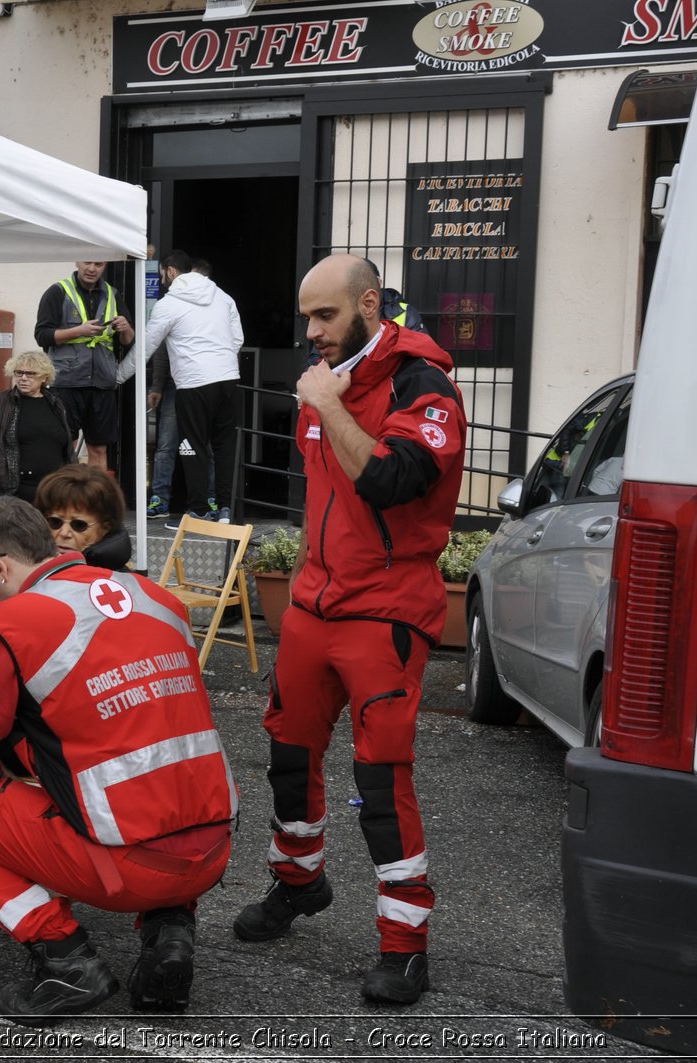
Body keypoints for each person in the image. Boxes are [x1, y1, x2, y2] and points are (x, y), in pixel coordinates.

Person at [0, 497, 237, 1024]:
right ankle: (170, 934)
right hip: (213, 852)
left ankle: (64, 955)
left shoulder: (11, 624)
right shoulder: (157, 598)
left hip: (129, 871)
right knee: (160, 786)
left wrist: (24, 752)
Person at [233, 253, 466, 1007]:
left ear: (370, 304)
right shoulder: (323, 377)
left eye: (325, 315)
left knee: (380, 775)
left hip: (387, 611)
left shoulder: (423, 383)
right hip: (312, 606)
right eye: (306, 316)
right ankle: (298, 882)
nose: (312, 331)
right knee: (289, 756)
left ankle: (405, 943)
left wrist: (330, 405)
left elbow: (393, 481)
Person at [134, 250, 242, 526]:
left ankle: (200, 510)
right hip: (223, 379)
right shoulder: (223, 298)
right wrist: (219, 361)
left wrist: (120, 375)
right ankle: (222, 509)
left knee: (188, 445)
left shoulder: (172, 303)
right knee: (218, 445)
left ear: (170, 272)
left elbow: (151, 345)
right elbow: (237, 338)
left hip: (190, 384)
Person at [34, 261, 135, 469]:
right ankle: (64, 499)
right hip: (66, 383)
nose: (92, 269)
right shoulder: (57, 291)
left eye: (98, 264)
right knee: (65, 446)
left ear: (105, 265)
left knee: (99, 449)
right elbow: (42, 335)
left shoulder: (112, 294)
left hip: (102, 384)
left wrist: (125, 328)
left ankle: (95, 500)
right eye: (87, 262)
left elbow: (128, 341)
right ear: (77, 261)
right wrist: (78, 331)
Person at [0, 351, 74, 501]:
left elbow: (66, 446)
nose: (23, 378)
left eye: (30, 374)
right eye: (19, 373)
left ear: (44, 377)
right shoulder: (0, 402)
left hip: (51, 493)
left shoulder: (56, 404)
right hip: (10, 493)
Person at [33, 464, 131, 571]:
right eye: (55, 522)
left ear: (105, 527)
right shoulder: (25, 570)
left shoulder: (118, 582)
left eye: (79, 525)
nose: (64, 533)